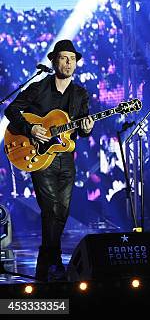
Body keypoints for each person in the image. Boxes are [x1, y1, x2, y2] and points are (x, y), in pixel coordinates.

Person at [4, 39, 94, 281]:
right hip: (39, 156)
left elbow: (83, 130)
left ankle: (46, 263)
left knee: (61, 212)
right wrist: (31, 128)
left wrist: (87, 127)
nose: (69, 63)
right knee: (50, 209)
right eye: (64, 58)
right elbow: (11, 110)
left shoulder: (80, 94)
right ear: (54, 60)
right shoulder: (39, 87)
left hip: (66, 158)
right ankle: (53, 264)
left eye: (73, 58)